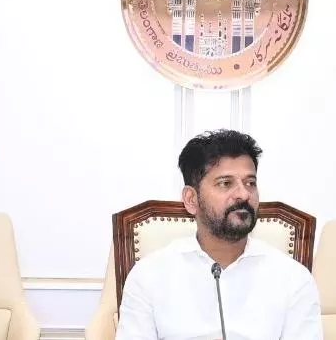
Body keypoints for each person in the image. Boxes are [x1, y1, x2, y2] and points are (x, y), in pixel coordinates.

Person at [115, 129, 323, 340]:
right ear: (191, 199)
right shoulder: (148, 277)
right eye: (225, 183)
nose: (243, 194)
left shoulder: (293, 279)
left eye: (250, 183)